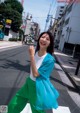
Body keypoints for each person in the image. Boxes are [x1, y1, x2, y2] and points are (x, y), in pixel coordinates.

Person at [8, 31, 59, 113]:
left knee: (37, 110)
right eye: (42, 37)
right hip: (28, 83)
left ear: (50, 43)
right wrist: (33, 55)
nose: (44, 40)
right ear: (39, 39)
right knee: (14, 105)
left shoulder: (50, 60)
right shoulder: (36, 53)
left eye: (47, 39)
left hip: (37, 88)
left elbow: (36, 74)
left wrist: (31, 56)